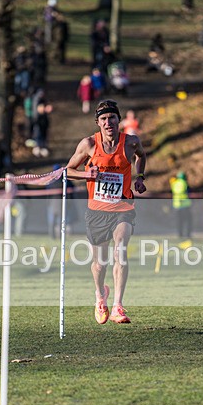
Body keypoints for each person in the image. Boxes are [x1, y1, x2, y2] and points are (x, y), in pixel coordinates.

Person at [64, 99, 147, 325]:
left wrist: (139, 178)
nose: (108, 122)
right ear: (97, 123)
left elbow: (141, 156)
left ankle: (118, 307)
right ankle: (100, 296)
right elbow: (68, 171)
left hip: (123, 207)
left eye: (112, 118)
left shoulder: (130, 142)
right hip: (97, 211)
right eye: (103, 119)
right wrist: (87, 175)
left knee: (120, 250)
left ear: (119, 120)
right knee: (100, 263)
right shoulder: (89, 144)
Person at [170, 171, 192, 239]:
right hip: (185, 205)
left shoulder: (174, 183)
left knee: (179, 221)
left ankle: (180, 234)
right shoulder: (184, 183)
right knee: (188, 221)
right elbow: (188, 192)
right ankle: (187, 235)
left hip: (176, 205)